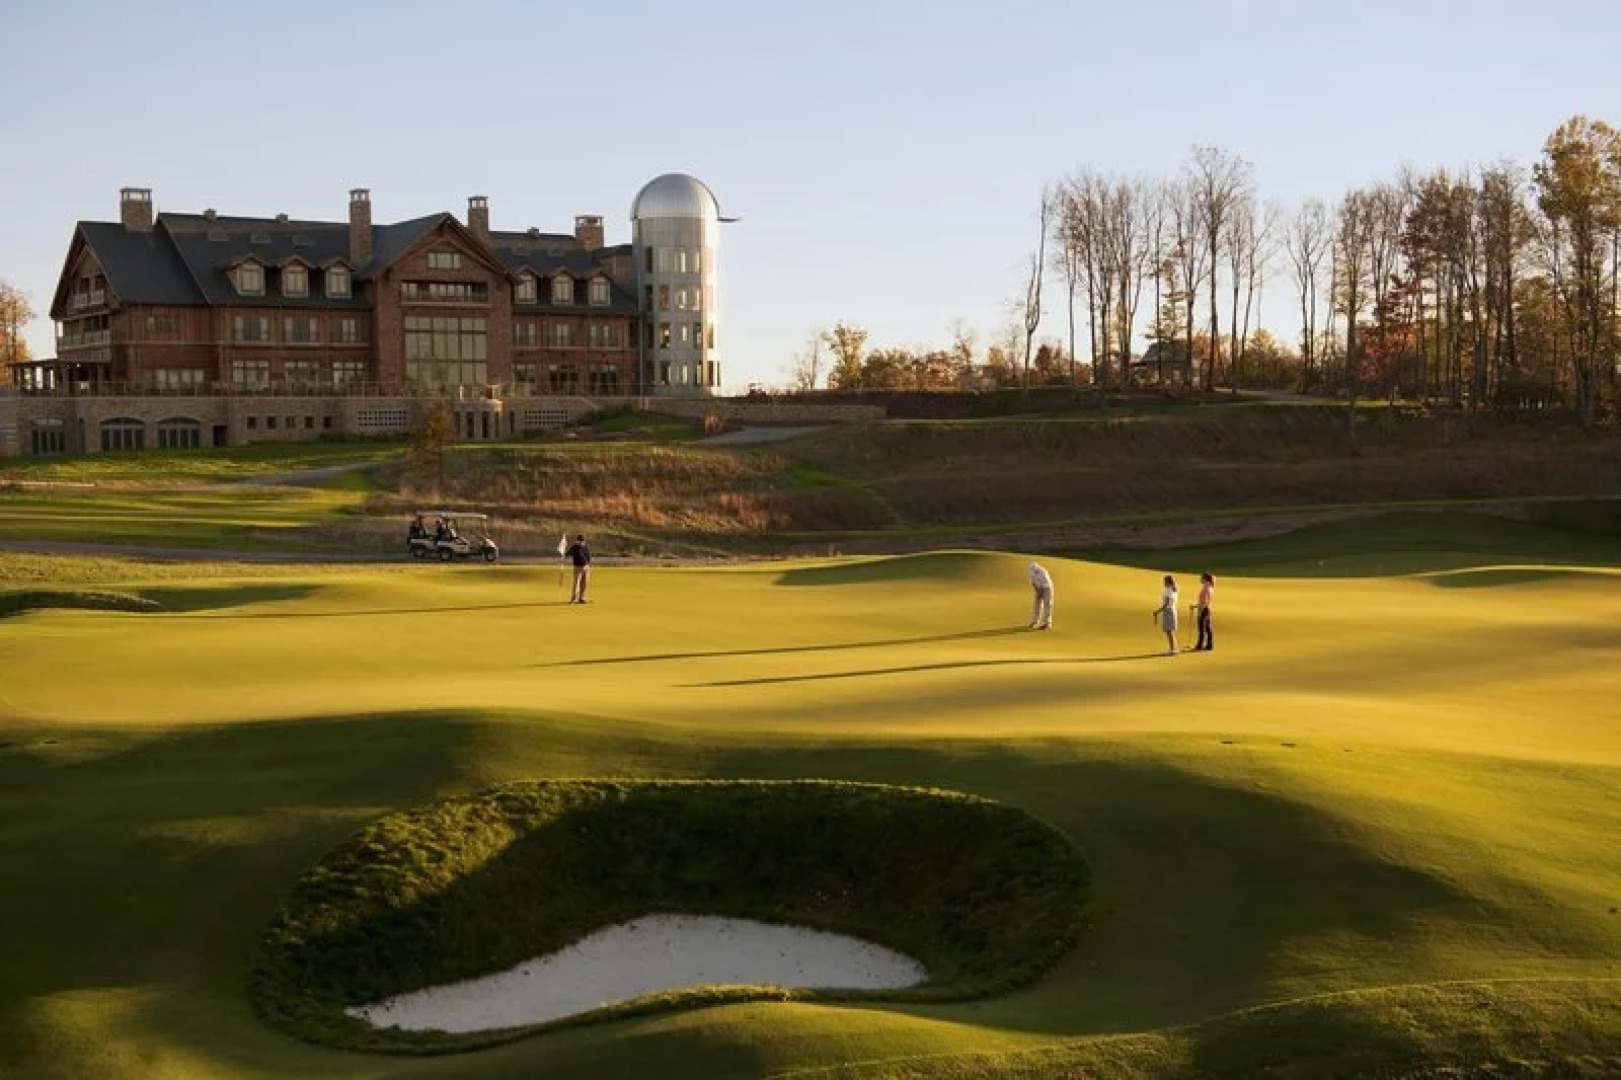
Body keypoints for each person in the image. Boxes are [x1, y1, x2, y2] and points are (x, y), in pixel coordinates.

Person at [1152, 574, 1179, 654]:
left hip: (1168, 611)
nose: (1163, 583)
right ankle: (1174, 648)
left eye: (1164, 581)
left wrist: (1158, 611)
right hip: (1172, 610)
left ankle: (1172, 649)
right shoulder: (1173, 589)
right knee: (1171, 631)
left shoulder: (1168, 590)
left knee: (1169, 631)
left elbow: (1166, 603)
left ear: (1168, 582)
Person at [566, 533, 592, 604]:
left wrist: (588, 564)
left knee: (585, 584)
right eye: (580, 541)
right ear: (577, 541)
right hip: (578, 567)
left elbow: (588, 555)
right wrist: (565, 554)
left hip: (586, 567)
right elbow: (568, 554)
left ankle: (581, 598)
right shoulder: (575, 547)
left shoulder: (585, 546)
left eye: (582, 541)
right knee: (577, 583)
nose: (582, 542)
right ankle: (573, 599)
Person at [1027, 562, 1053, 630]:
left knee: (1047, 604)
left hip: (1047, 588)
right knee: (1036, 604)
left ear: (1037, 568)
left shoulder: (1043, 572)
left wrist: (1041, 591)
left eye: (1034, 570)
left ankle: (1047, 623)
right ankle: (1034, 621)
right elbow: (1032, 582)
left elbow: (1046, 584)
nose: (1033, 571)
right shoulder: (1031, 572)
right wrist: (1037, 590)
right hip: (1038, 588)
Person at [1193, 572, 1215, 652]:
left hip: (1204, 609)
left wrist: (1200, 611)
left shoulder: (1205, 589)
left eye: (1202, 578)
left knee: (1202, 628)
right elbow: (1205, 601)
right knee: (1207, 628)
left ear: (1205, 579)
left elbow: (1204, 602)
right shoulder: (1210, 588)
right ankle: (1209, 645)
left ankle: (1200, 645)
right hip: (1208, 609)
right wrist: (1196, 606)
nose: (1200, 579)